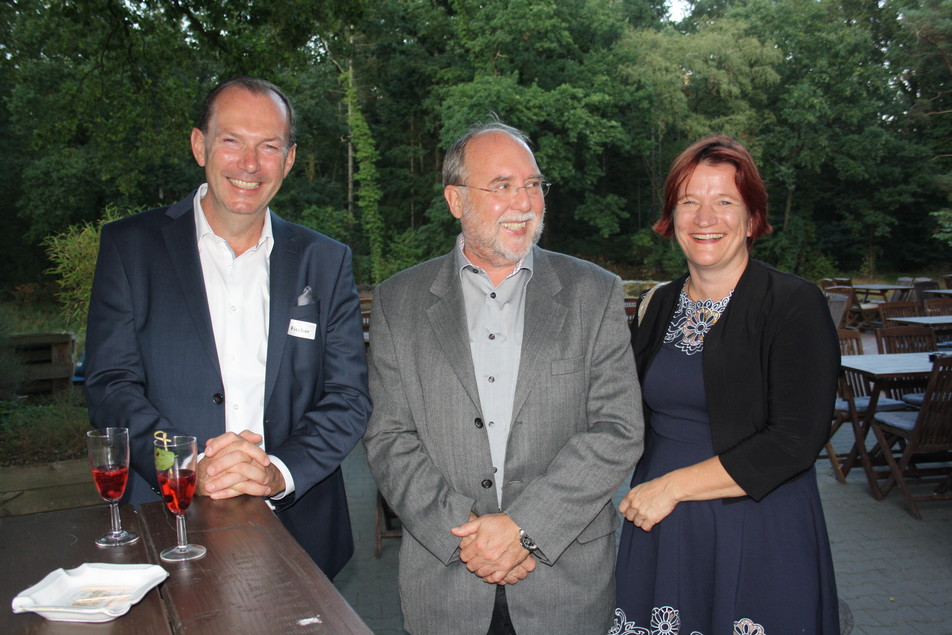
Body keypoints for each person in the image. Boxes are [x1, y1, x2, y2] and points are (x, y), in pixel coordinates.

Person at [363, 121, 644, 635]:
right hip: (445, 582)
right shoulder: (398, 302)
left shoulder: (594, 293)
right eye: (502, 186)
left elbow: (617, 429)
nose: (524, 201)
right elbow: (389, 438)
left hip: (565, 583)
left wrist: (524, 528)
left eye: (533, 184)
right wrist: (470, 539)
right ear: (455, 199)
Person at [84, 77, 371, 580]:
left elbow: (347, 396)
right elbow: (110, 383)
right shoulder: (131, 248)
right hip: (164, 521)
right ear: (200, 146)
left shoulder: (326, 261)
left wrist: (275, 472)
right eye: (231, 141)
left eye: (269, 146)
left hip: (297, 530)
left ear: (289, 159)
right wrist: (186, 466)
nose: (249, 164)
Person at [612, 135, 840, 633]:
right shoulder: (656, 305)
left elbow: (795, 440)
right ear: (671, 218)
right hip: (663, 533)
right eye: (688, 202)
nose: (704, 218)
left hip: (756, 528)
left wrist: (671, 487)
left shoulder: (794, 303)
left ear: (753, 218)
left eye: (724, 202)